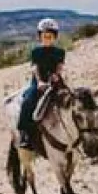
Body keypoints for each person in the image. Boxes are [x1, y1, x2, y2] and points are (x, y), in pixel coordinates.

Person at [15, 18, 66, 151]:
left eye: (50, 36)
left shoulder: (60, 52)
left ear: (54, 37)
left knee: (69, 98)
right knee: (28, 101)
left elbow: (60, 66)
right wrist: (40, 82)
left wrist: (56, 75)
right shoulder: (36, 52)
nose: (47, 39)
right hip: (39, 81)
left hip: (55, 80)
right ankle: (25, 134)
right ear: (40, 37)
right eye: (44, 36)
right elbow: (35, 68)